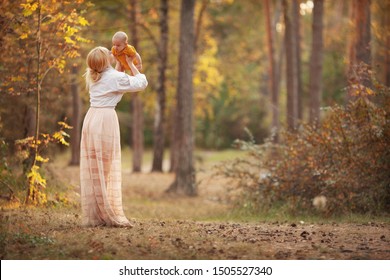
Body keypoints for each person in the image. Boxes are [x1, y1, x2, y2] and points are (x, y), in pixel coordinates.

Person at [80, 46, 148, 227]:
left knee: (96, 168)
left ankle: (97, 212)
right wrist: (132, 65)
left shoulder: (94, 74)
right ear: (104, 60)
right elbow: (141, 83)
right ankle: (105, 212)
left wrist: (119, 63)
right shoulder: (112, 77)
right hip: (105, 120)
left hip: (92, 118)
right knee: (105, 167)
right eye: (108, 52)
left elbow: (116, 83)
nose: (112, 52)